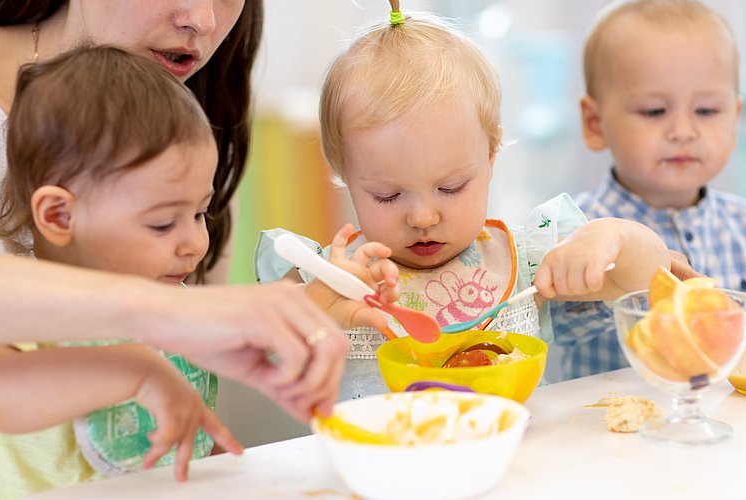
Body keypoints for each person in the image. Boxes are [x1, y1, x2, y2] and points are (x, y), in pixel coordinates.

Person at [0, 45, 399, 499]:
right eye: (163, 222)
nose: (196, 242)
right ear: (61, 216)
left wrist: (327, 292)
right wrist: (136, 372)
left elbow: (254, 335)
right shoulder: (25, 303)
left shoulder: (171, 297)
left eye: (201, 214)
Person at [0, 1, 350, 420]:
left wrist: (308, 311)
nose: (203, 20)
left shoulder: (196, 118)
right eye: (161, 222)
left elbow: (193, 388)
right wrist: (167, 317)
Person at [256, 9, 673, 401]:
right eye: (387, 195)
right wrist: (316, 311)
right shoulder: (331, 281)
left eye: (451, 187)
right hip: (381, 471)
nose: (422, 217)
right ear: (345, 176)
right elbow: (259, 359)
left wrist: (614, 236)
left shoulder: (523, 261)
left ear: (490, 160)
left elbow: (649, 280)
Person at [559, 0, 746, 379]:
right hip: (613, 429)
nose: (683, 131)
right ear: (595, 123)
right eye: (654, 111)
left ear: (734, 118)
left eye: (706, 111)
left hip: (735, 429)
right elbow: (557, 326)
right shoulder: (576, 230)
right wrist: (618, 274)